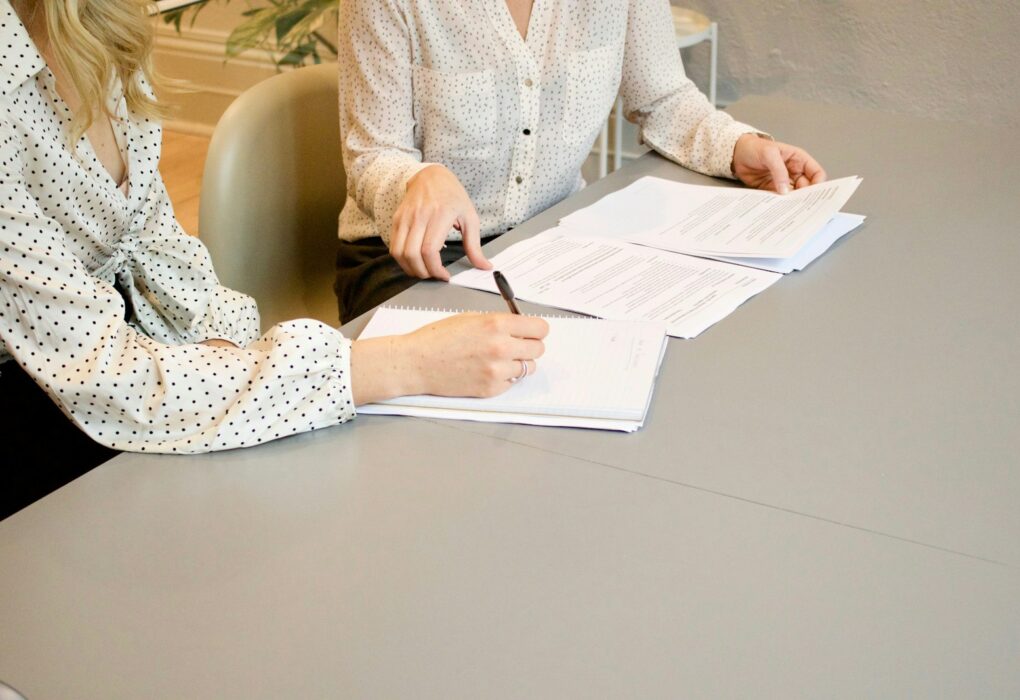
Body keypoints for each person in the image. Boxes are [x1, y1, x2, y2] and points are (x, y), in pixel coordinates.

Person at [0, 0, 548, 519]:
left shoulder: (100, 30)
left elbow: (161, 253)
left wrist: (223, 359)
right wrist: (407, 364)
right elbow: (110, 376)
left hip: (131, 374)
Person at [335, 0, 828, 321]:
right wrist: (418, 180)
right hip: (411, 259)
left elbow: (663, 97)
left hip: (551, 243)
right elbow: (373, 154)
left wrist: (739, 147)